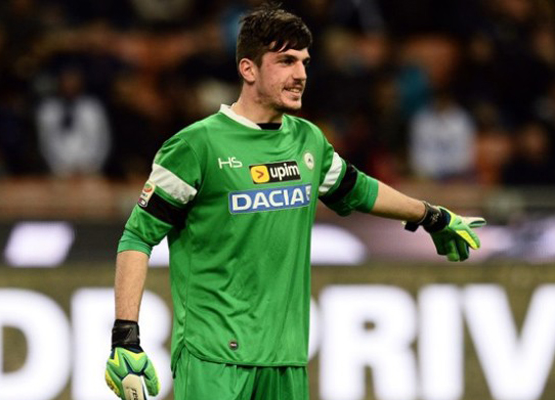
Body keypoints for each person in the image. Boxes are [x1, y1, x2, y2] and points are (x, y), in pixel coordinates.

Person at [105, 4, 486, 400]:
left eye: (304, 61)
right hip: (214, 358)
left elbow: (358, 188)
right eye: (286, 61)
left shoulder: (308, 141)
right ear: (248, 69)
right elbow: (137, 237)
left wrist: (431, 216)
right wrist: (125, 338)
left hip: (286, 360)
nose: (301, 74)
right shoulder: (195, 146)